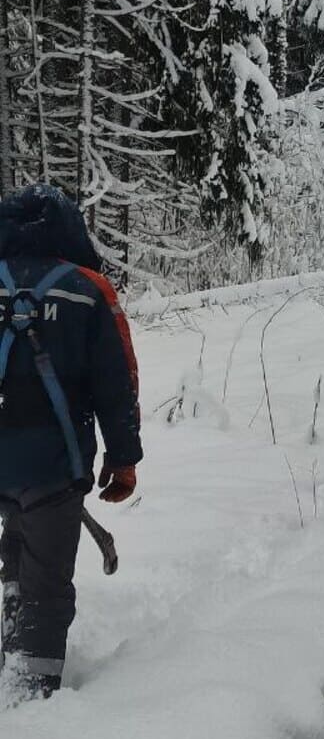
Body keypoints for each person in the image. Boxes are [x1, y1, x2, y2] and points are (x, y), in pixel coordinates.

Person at [0, 184, 142, 703]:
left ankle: (11, 645)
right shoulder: (89, 289)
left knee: (16, 541)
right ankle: (28, 695)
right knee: (47, 581)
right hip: (54, 466)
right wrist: (123, 460)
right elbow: (117, 383)